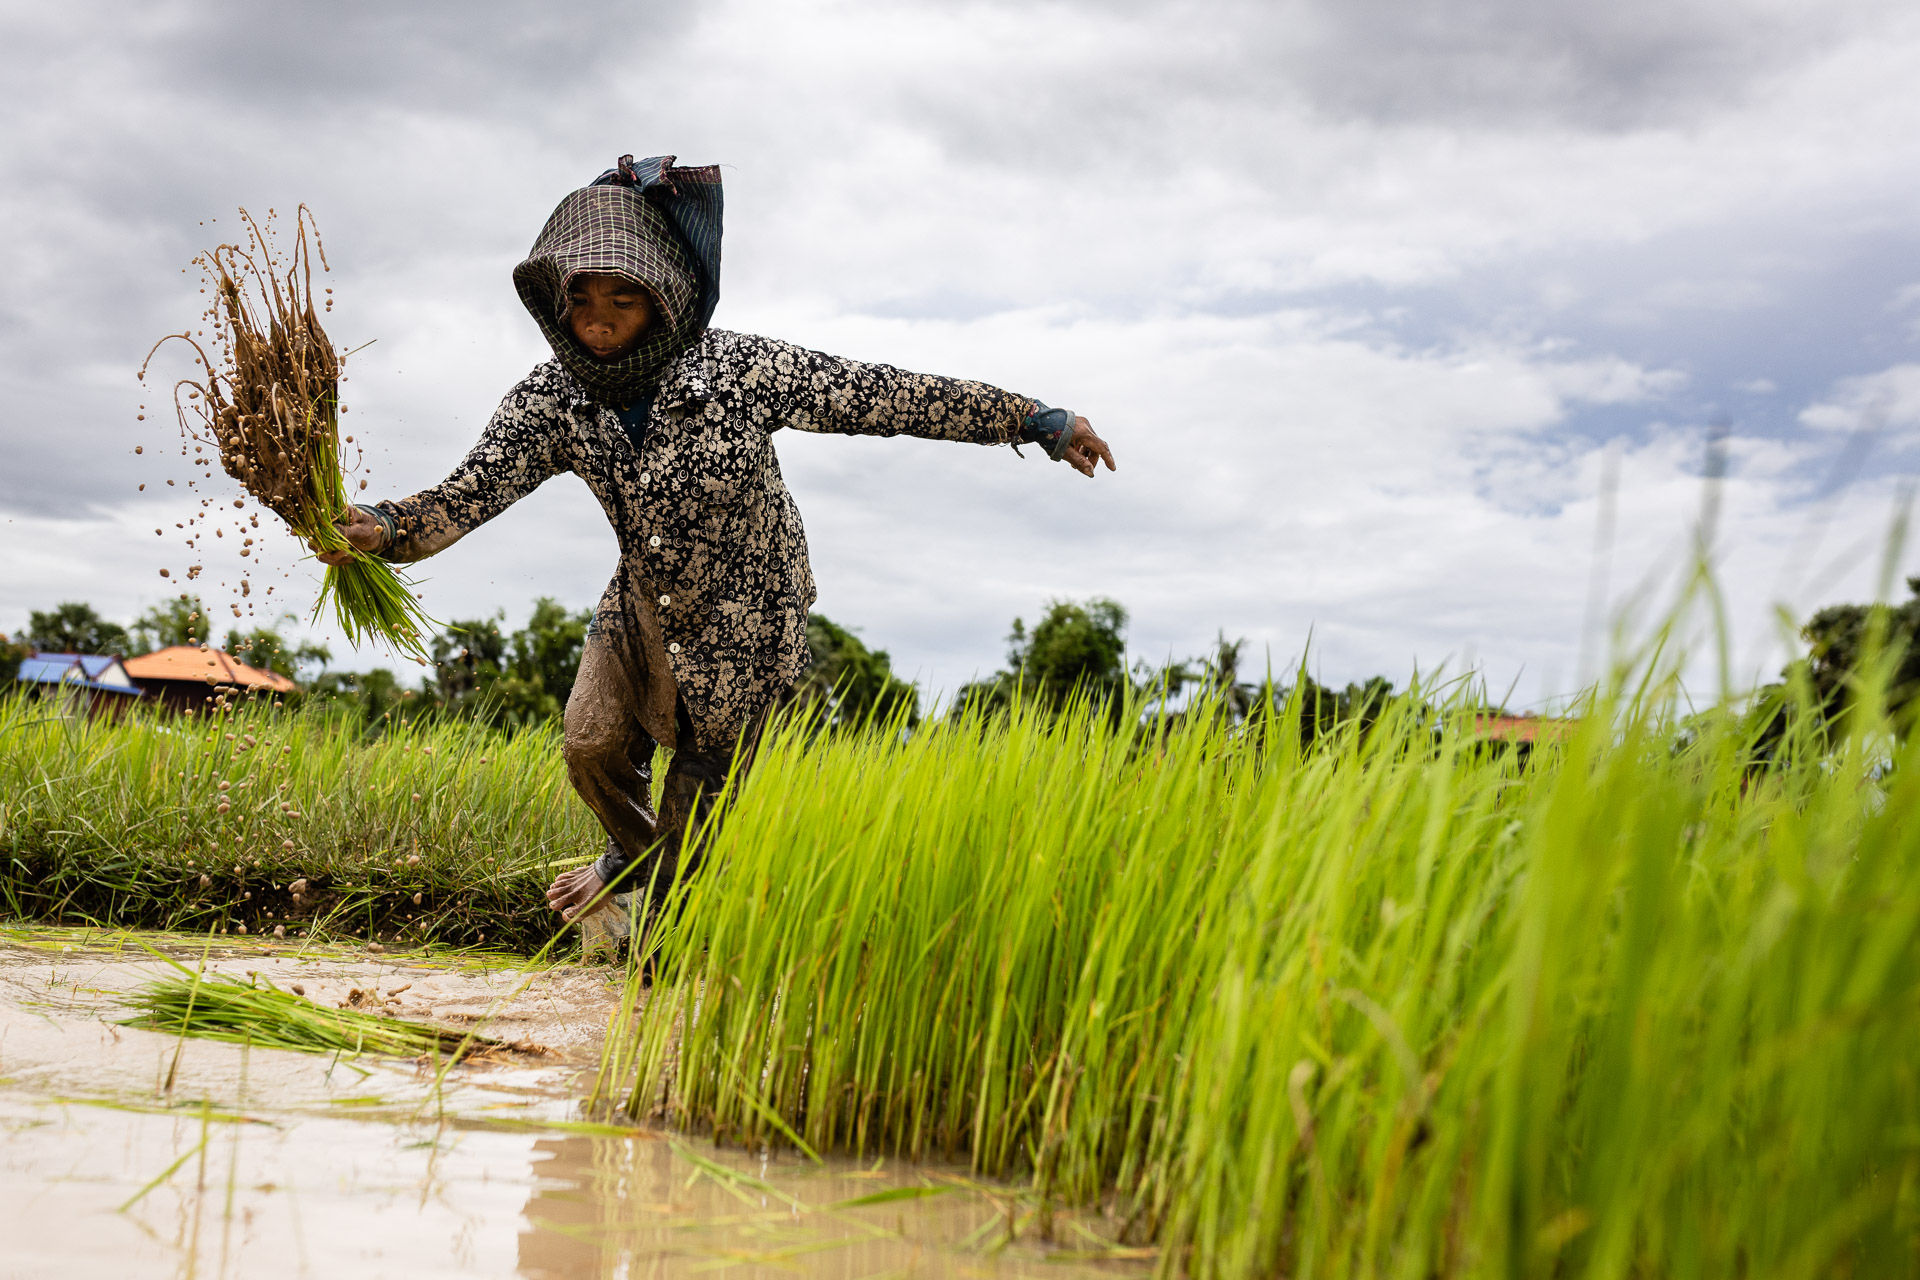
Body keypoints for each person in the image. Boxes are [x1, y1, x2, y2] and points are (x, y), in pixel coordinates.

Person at [318, 155, 1115, 923]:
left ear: (663, 299)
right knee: (589, 744)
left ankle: (666, 933)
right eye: (581, 299)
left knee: (695, 823)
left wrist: (1032, 420)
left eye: (621, 300)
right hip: (643, 602)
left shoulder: (739, 370)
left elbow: (887, 396)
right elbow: (473, 489)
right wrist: (385, 529)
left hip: (751, 615)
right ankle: (632, 858)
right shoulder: (553, 399)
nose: (596, 320)